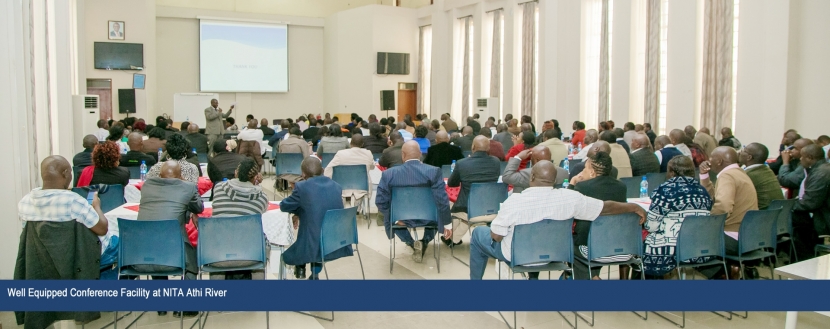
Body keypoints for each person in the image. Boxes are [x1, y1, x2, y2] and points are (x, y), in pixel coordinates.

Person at [469, 161, 647, 280]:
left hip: (519, 255)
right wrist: (632, 207)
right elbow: (604, 207)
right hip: (558, 254)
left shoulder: (514, 201)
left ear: (531, 177)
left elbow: (496, 236)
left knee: (478, 234)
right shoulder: (571, 198)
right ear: (554, 180)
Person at [376, 141, 452, 262]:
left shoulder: (389, 174)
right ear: (420, 154)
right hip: (429, 218)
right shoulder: (434, 171)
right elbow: (442, 200)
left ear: (403, 155)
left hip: (401, 219)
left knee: (390, 217)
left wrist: (394, 217)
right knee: (438, 213)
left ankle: (411, 243)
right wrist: (448, 224)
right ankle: (424, 241)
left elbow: (380, 201)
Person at [281, 157, 351, 280]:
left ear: (303, 174)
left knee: (285, 256)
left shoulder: (302, 187)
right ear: (322, 170)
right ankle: (314, 274)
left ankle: (301, 266)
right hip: (336, 241)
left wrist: (297, 212)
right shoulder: (336, 186)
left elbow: (284, 206)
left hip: (312, 244)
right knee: (312, 217)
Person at [643, 156, 713, 277]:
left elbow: (651, 226)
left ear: (672, 173)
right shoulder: (703, 192)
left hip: (671, 252)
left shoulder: (665, 190)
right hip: (701, 249)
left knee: (641, 244)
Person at [137, 160, 204, 289]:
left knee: (155, 241)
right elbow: (199, 207)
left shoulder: (147, 185)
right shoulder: (187, 187)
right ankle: (188, 299)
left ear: (160, 175)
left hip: (141, 256)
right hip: (175, 257)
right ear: (180, 176)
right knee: (192, 259)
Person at [698, 147, 759, 278]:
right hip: (749, 237)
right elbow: (715, 198)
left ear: (719, 161)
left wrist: (708, 222)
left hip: (734, 237)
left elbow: (723, 207)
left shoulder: (727, 176)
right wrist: (704, 176)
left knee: (689, 240)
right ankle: (729, 269)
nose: (708, 161)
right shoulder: (739, 173)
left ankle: (724, 273)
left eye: (711, 158)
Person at [570, 151, 631, 279]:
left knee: (570, 246)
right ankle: (594, 276)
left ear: (592, 172)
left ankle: (593, 277)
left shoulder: (582, 187)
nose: (582, 171)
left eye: (585, 168)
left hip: (591, 248)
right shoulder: (621, 187)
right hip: (619, 246)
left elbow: (568, 208)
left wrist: (573, 182)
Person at [19, 155, 108, 236]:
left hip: (38, 249)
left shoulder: (25, 202)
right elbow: (102, 230)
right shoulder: (74, 202)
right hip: (74, 249)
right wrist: (96, 206)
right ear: (65, 173)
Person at [445, 136, 501, 246]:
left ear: (473, 147)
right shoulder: (496, 162)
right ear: (488, 148)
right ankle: (453, 238)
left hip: (468, 210)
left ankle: (449, 236)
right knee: (464, 208)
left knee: (451, 205)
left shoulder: (462, 163)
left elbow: (452, 183)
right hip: (491, 208)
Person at [792, 144, 830, 259]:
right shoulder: (823, 168)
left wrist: (790, 206)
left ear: (810, 158)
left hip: (824, 220)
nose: (800, 159)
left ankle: (803, 261)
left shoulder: (820, 173)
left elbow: (810, 203)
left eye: (802, 156)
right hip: (823, 213)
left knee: (789, 219)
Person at [324, 134, 375, 206]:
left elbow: (328, 169)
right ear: (362, 144)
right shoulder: (368, 153)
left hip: (342, 187)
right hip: (362, 188)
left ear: (350, 143)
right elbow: (372, 167)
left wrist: (330, 182)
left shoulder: (341, 153)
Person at [503, 145, 568, 193]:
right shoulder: (564, 173)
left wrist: (518, 157)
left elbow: (507, 177)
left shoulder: (527, 174)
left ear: (536, 160)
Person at [740, 143, 784, 210]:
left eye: (744, 150)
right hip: (776, 214)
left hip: (760, 214)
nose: (740, 152)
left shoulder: (748, 175)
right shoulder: (767, 170)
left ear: (749, 157)